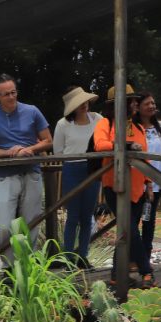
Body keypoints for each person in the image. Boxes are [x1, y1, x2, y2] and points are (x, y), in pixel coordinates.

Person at [0, 74, 53, 259]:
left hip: (32, 172)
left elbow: (48, 140)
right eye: (6, 94)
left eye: (13, 92)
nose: (11, 97)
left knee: (31, 223)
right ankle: (9, 269)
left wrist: (29, 149)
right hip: (6, 175)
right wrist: (10, 152)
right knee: (4, 226)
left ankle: (30, 267)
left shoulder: (32, 111)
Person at [92, 85, 152, 284]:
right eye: (131, 100)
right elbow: (100, 145)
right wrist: (124, 146)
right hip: (114, 186)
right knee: (129, 228)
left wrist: (149, 182)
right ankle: (146, 269)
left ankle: (116, 274)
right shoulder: (105, 124)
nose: (135, 103)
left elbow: (145, 157)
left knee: (128, 230)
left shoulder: (137, 127)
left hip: (137, 187)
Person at [52, 85, 101, 265]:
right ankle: (68, 257)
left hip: (93, 169)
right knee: (73, 216)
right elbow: (58, 151)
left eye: (85, 101)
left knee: (87, 215)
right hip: (72, 169)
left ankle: (83, 256)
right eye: (79, 103)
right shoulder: (63, 124)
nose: (84, 105)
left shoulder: (98, 119)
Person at [136, 91, 161, 279]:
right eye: (146, 104)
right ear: (138, 107)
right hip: (136, 182)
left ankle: (146, 259)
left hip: (155, 183)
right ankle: (133, 260)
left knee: (149, 222)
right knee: (133, 222)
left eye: (153, 103)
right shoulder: (133, 127)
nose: (151, 106)